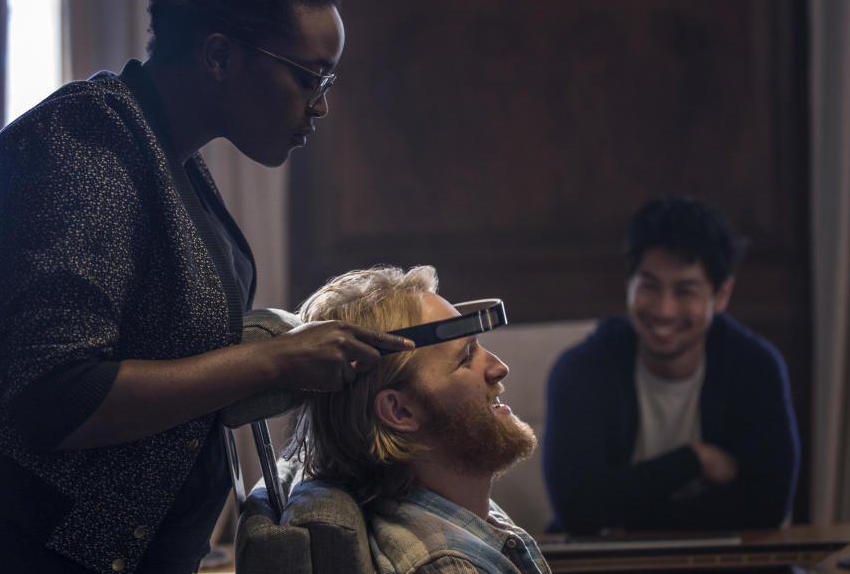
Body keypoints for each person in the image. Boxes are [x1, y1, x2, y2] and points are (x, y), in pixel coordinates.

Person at [0, 0, 413, 572]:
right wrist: (273, 362)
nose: (321, 103)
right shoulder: (81, 148)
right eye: (308, 76)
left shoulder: (170, 160)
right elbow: (56, 395)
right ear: (220, 55)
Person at [543, 197, 800, 535]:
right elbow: (577, 508)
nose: (664, 310)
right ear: (629, 284)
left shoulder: (755, 368)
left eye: (685, 291)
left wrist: (624, 513)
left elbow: (767, 506)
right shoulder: (581, 370)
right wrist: (694, 460)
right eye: (649, 286)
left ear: (721, 295)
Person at [284, 265, 552, 574]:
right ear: (400, 412)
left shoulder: (462, 515)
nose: (499, 367)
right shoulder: (445, 567)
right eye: (465, 357)